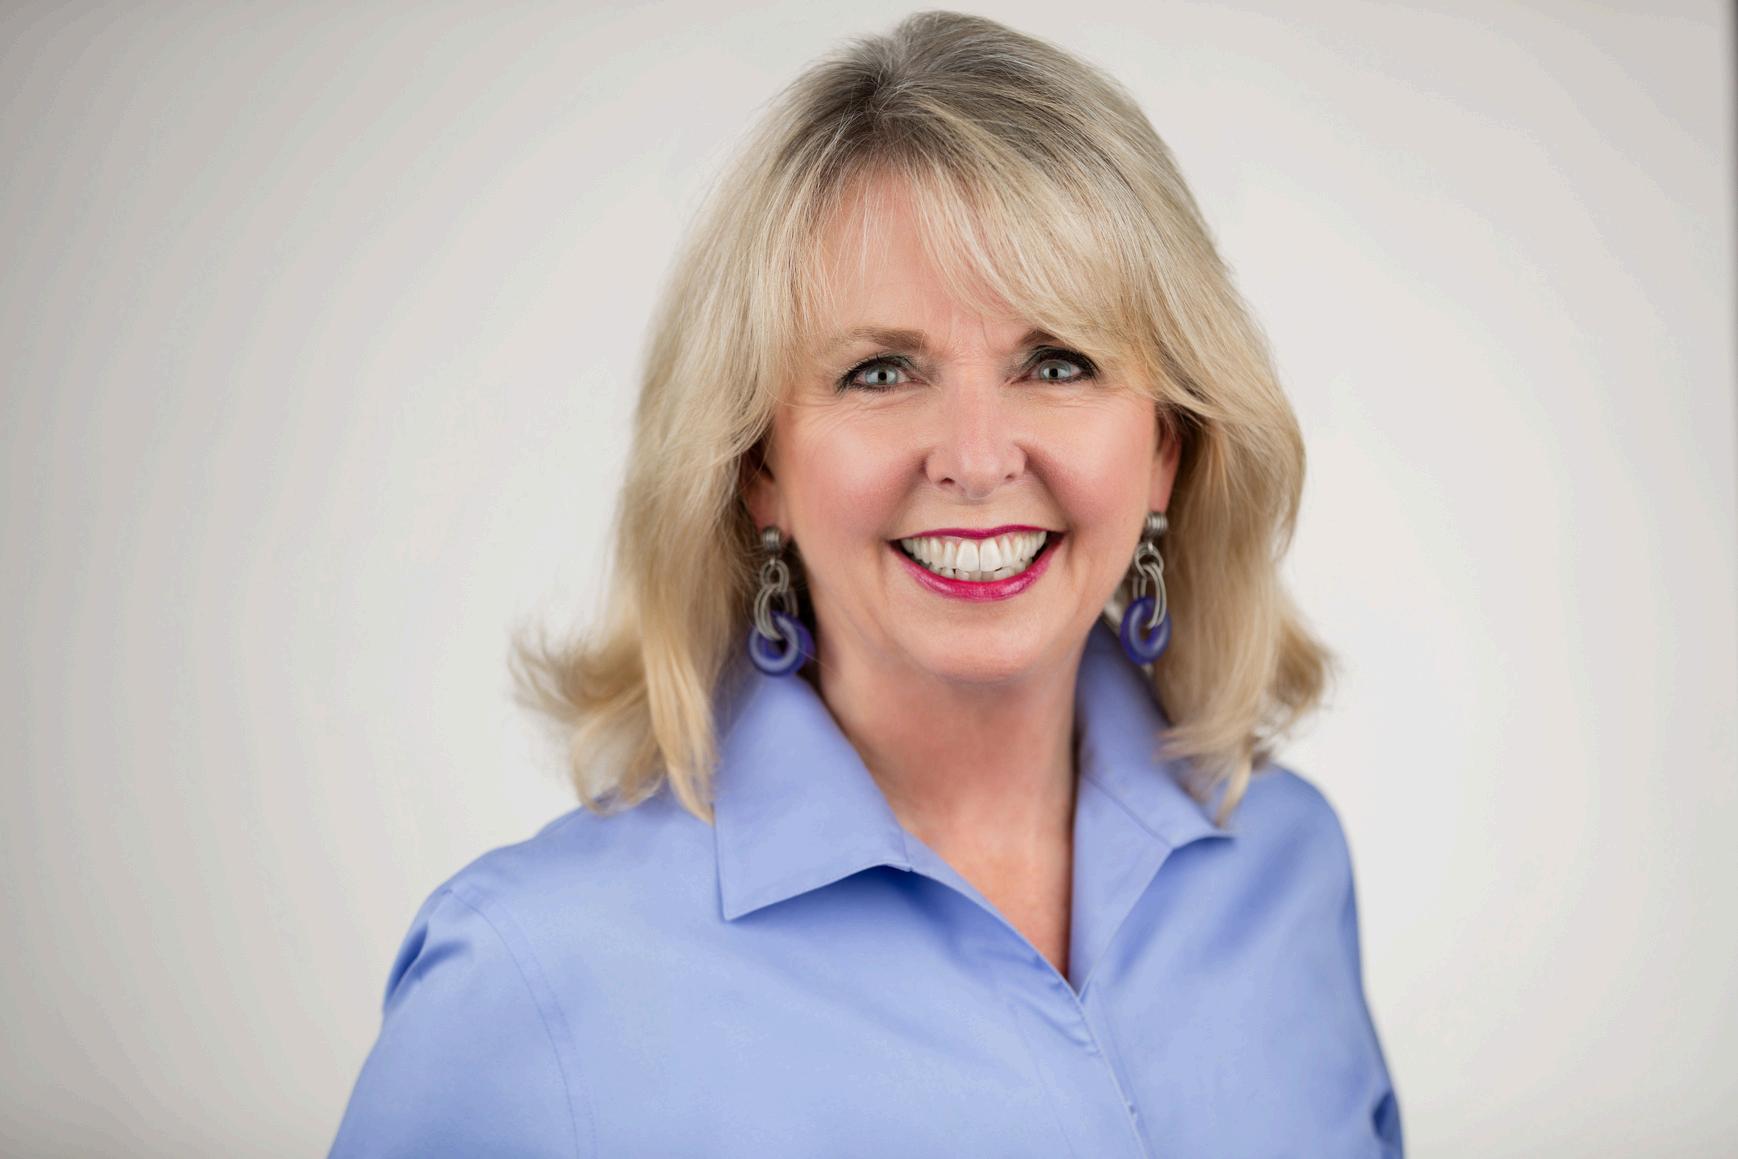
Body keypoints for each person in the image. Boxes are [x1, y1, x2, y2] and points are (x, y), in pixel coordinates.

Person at [328, 10, 1402, 1157]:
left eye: (1057, 362)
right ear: (757, 466)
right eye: (880, 372)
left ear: (1166, 447)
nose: (976, 458)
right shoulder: (528, 976)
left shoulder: (1282, 866)